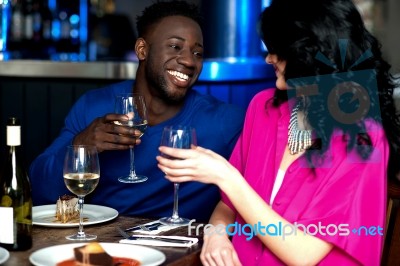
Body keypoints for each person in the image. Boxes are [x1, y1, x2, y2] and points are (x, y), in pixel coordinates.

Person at [156, 0, 400, 265]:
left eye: (278, 50)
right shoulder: (263, 108)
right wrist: (216, 237)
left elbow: (303, 254)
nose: (269, 57)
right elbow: (228, 206)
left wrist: (226, 176)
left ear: (310, 53)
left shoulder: (362, 136)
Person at [29, 0, 245, 223]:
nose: (189, 61)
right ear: (142, 49)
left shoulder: (225, 122)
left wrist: (218, 233)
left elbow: (262, 193)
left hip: (178, 249)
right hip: (101, 244)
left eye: (198, 53)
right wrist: (82, 146)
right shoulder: (93, 106)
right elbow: (40, 190)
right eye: (175, 46)